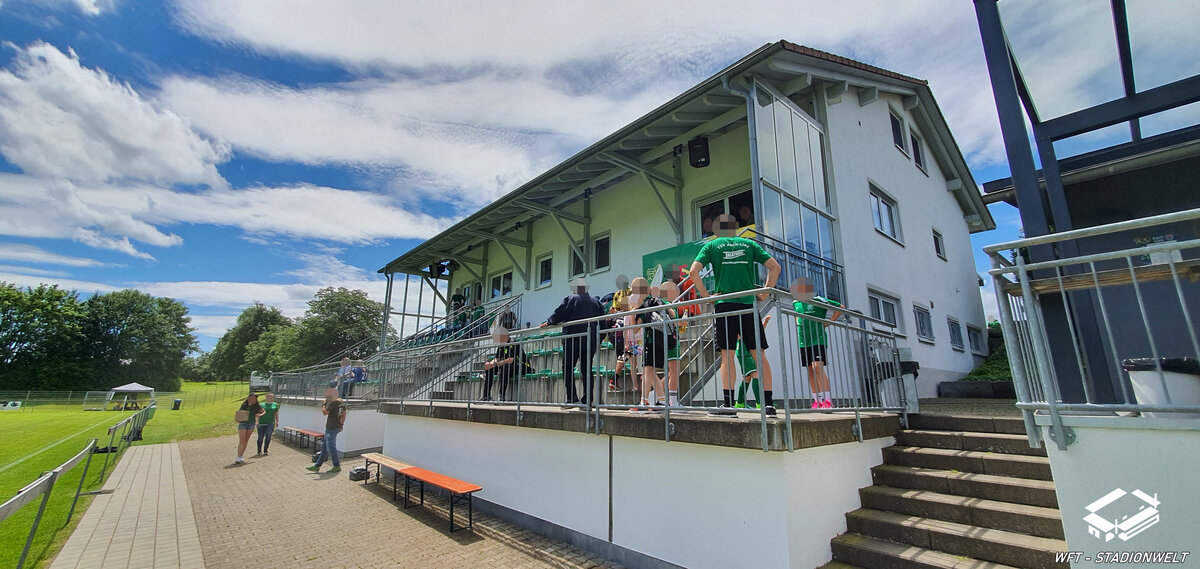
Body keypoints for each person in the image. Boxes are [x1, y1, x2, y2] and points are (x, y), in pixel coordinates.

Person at [689, 213, 782, 417]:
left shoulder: (712, 246)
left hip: (724, 305)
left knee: (727, 356)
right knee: (759, 354)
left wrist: (707, 297)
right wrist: (765, 292)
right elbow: (775, 267)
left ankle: (729, 405)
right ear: (735, 227)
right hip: (748, 303)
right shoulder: (749, 244)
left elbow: (693, 271)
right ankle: (768, 405)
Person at [541, 278, 605, 407]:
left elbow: (560, 313)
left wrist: (549, 322)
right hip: (590, 340)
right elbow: (602, 324)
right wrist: (600, 339)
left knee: (568, 368)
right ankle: (588, 399)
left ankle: (571, 398)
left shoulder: (571, 299)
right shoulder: (596, 302)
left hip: (572, 339)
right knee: (586, 369)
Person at [793, 282, 844, 410]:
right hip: (804, 341)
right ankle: (817, 401)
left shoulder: (819, 300)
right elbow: (797, 315)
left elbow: (840, 307)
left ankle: (827, 400)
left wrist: (828, 322)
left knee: (818, 367)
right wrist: (797, 323)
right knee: (810, 369)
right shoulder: (796, 302)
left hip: (818, 339)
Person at [733, 315, 772, 409]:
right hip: (744, 350)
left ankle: (740, 403)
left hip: (743, 350)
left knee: (747, 377)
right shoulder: (739, 319)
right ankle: (760, 403)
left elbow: (756, 334)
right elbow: (747, 335)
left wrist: (765, 324)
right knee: (756, 374)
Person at [306, 388, 347, 474]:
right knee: (324, 448)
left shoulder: (333, 403)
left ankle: (336, 465)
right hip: (335, 427)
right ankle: (317, 465)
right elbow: (344, 414)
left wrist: (323, 404)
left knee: (331, 447)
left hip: (331, 428)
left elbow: (325, 412)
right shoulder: (342, 403)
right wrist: (341, 425)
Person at [482, 329, 528, 402]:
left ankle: (501, 395)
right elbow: (497, 358)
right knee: (490, 369)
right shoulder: (501, 345)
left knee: (505, 367)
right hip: (509, 366)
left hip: (522, 366)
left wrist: (496, 364)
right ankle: (486, 395)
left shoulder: (513, 343)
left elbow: (510, 360)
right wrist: (490, 364)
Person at [234, 393, 264, 464]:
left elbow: (263, 411)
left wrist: (259, 415)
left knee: (246, 441)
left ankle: (241, 456)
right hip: (243, 423)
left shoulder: (256, 406)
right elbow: (239, 413)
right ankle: (238, 456)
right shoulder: (244, 405)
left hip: (251, 424)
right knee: (242, 440)